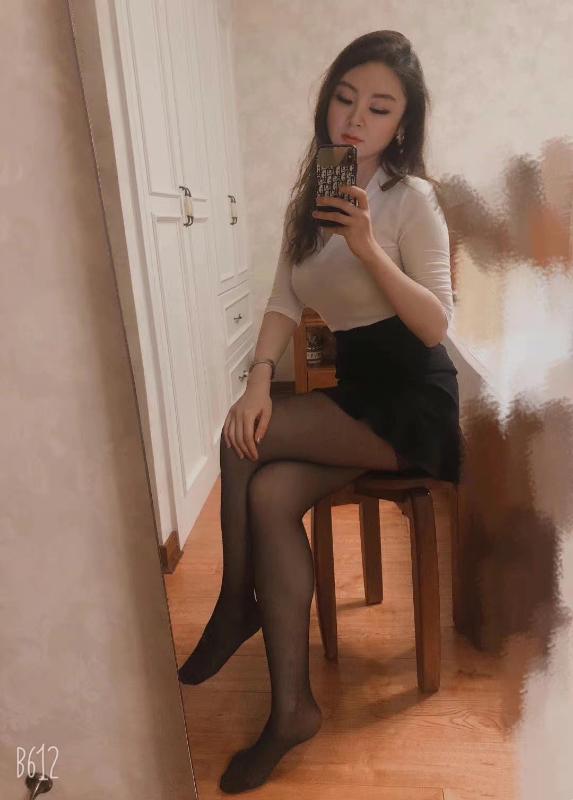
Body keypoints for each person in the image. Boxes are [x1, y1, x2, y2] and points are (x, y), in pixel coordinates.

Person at [178, 30, 462, 794]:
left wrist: (368, 247)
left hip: (409, 401)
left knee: (238, 446)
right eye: (344, 97)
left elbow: (436, 325)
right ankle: (291, 710)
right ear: (326, 102)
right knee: (266, 483)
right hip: (346, 389)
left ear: (400, 125)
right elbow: (283, 299)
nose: (355, 118)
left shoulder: (411, 200)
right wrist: (256, 380)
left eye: (378, 107)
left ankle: (235, 605)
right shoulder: (309, 198)